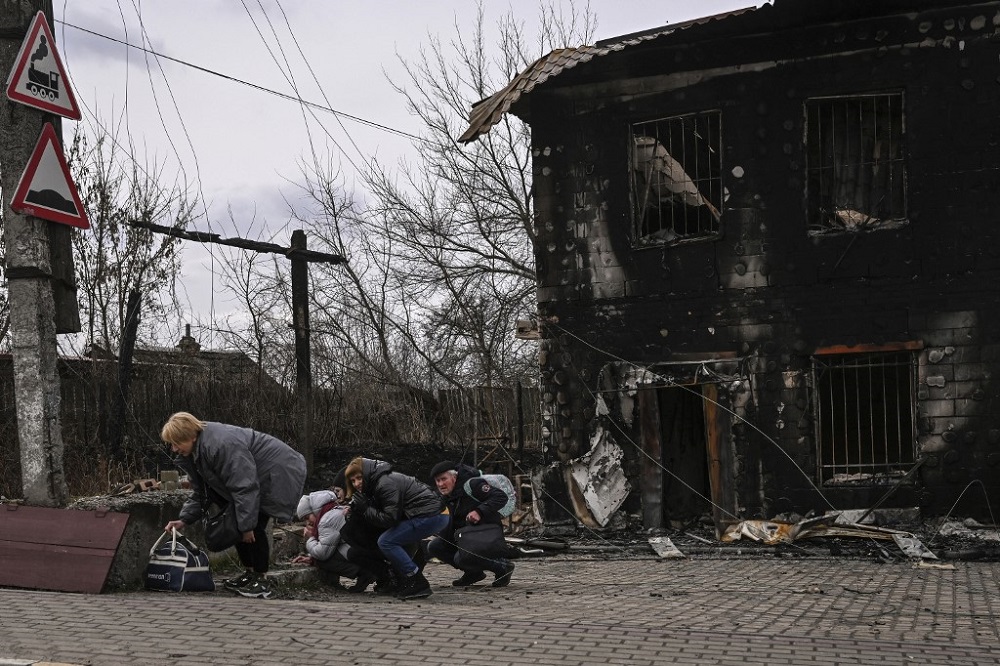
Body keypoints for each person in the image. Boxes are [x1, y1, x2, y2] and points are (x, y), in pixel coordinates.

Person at [161, 412, 306, 600]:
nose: (173, 449)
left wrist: (247, 526)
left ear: (191, 436)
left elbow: (245, 486)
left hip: (274, 474)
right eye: (171, 444)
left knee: (255, 527)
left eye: (176, 443)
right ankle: (249, 572)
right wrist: (183, 519)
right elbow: (201, 493)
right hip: (251, 480)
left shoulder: (221, 445)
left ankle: (262, 579)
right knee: (236, 524)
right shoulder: (196, 452)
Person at [344, 456, 449, 600]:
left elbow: (389, 519)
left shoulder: (384, 483)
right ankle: (404, 580)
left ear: (367, 473)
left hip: (431, 515)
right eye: (353, 480)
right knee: (391, 540)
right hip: (430, 514)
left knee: (386, 541)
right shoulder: (379, 482)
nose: (356, 483)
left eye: (359, 478)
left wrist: (366, 508)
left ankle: (416, 581)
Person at [426, 461, 515, 587]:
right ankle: (473, 573)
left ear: (454, 477)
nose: (440, 484)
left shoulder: (472, 485)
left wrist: (479, 511)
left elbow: (500, 497)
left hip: (483, 534)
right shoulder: (444, 497)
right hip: (463, 536)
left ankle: (503, 567)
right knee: (434, 547)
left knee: (461, 557)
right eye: (437, 481)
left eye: (443, 479)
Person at [292, 489, 386, 592]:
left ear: (313, 510)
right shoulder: (334, 510)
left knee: (322, 561)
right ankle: (368, 573)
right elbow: (330, 543)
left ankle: (364, 573)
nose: (308, 522)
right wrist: (310, 557)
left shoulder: (326, 520)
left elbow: (323, 553)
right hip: (366, 549)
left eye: (307, 517)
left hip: (357, 552)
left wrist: (310, 538)